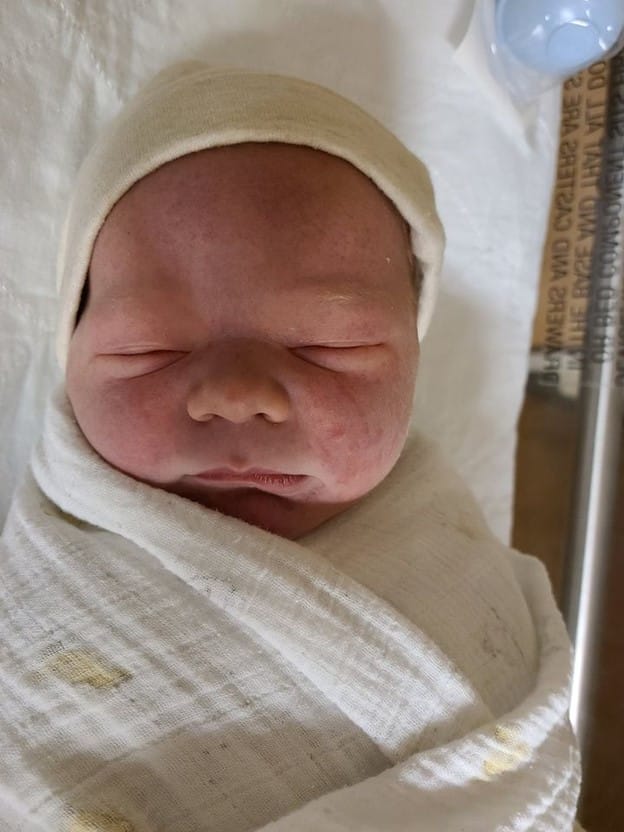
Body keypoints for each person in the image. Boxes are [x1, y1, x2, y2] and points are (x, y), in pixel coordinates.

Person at [0, 61, 582, 831]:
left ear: (413, 358)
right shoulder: (42, 581)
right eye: (149, 348)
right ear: (72, 353)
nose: (237, 393)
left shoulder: (452, 562)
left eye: (326, 345)